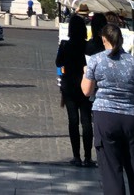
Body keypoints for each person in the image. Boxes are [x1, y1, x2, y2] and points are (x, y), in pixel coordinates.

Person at [81, 23, 134, 195]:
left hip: (104, 117)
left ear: (103, 39)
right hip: (130, 118)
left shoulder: (95, 60)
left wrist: (85, 73)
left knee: (111, 170)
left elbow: (86, 91)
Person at [55, 15, 94, 167]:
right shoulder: (87, 46)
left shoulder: (65, 45)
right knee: (86, 121)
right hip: (84, 85)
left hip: (69, 85)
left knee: (73, 121)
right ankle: (88, 157)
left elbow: (58, 62)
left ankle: (76, 156)